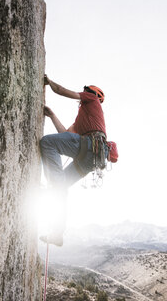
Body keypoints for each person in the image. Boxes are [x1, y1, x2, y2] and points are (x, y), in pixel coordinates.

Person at [39, 75, 118, 246]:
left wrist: (49, 81)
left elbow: (61, 91)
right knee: (62, 187)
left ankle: (52, 186)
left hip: (90, 146)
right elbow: (64, 135)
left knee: (47, 143)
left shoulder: (92, 99)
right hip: (93, 157)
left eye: (85, 91)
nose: (83, 94)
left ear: (91, 93)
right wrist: (52, 115)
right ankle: (57, 234)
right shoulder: (83, 119)